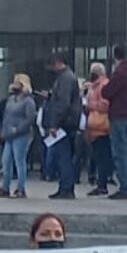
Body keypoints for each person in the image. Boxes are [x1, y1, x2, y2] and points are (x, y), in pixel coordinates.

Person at [42, 54, 84, 199]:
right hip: (69, 121)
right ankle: (65, 186)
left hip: (65, 123)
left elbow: (63, 103)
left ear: (58, 63)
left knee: (63, 156)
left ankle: (66, 187)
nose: (51, 70)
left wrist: (54, 124)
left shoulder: (65, 78)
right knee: (63, 155)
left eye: (52, 66)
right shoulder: (68, 77)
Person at [102, 45, 127, 200]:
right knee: (125, 152)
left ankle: (125, 187)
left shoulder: (120, 73)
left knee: (120, 153)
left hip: (119, 116)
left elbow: (106, 92)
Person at [0, 74, 37, 198]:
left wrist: (18, 129)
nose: (14, 85)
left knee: (19, 161)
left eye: (17, 83)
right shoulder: (11, 99)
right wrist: (3, 132)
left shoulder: (28, 101)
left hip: (21, 135)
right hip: (9, 134)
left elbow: (30, 118)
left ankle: (21, 188)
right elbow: (6, 116)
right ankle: (5, 187)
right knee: (6, 161)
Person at [82, 62, 114, 195]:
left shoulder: (104, 85)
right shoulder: (92, 87)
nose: (92, 73)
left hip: (101, 125)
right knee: (97, 156)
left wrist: (90, 104)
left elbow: (105, 104)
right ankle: (99, 182)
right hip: (93, 125)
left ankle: (102, 184)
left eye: (94, 71)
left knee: (102, 156)